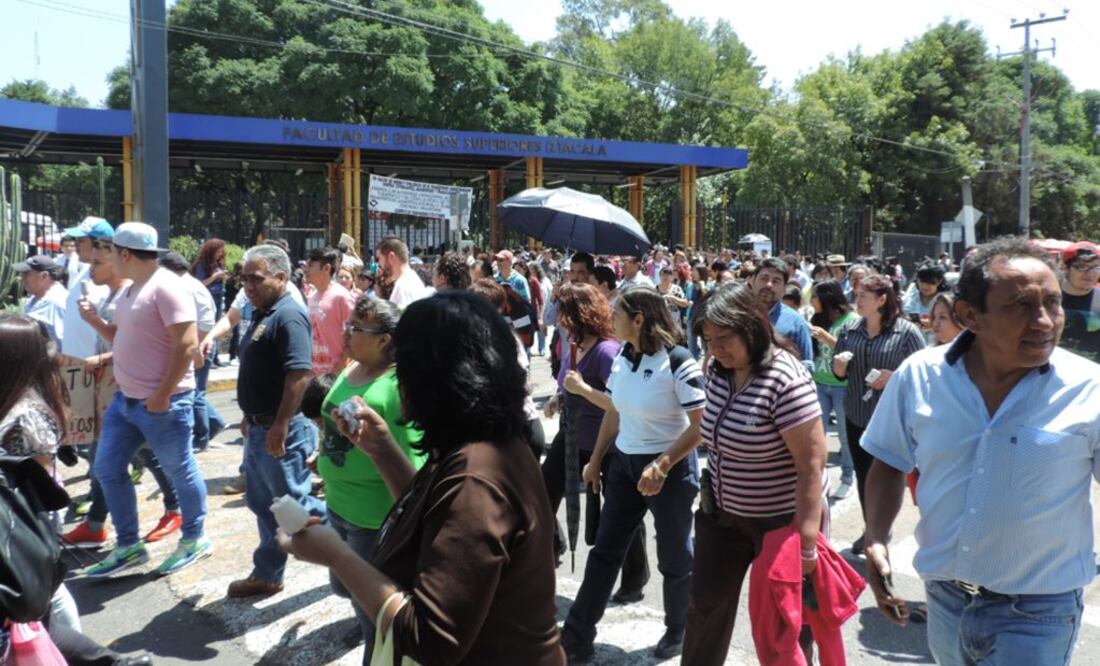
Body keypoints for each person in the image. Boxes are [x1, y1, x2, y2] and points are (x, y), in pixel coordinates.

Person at [279, 291, 565, 664]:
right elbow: (434, 514)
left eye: (403, 366)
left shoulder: (476, 479)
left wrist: (336, 554)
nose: (396, 379)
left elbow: (429, 639)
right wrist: (383, 449)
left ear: (431, 379)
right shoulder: (478, 443)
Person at [861, 238, 1100, 664]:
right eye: (1021, 306)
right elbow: (889, 461)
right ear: (970, 315)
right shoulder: (920, 376)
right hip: (945, 600)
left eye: (1053, 303)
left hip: (1038, 613)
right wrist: (876, 539)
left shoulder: (1089, 389)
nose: (1044, 321)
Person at [682, 282, 827, 665]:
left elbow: (811, 467)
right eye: (708, 340)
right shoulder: (718, 370)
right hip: (721, 516)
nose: (716, 349)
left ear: (751, 327)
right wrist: (665, 461)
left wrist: (807, 545)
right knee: (704, 607)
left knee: (785, 624)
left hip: (779, 525)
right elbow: (707, 429)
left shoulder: (785, 380)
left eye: (724, 338)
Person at [560, 288, 705, 662]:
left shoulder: (678, 361)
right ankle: (575, 637)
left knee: (674, 556)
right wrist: (596, 460)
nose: (611, 319)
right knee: (605, 552)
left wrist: (663, 464)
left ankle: (678, 630)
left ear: (638, 320)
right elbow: (615, 411)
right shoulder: (624, 355)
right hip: (624, 466)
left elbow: (701, 427)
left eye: (617, 313)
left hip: (669, 471)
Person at [84, 222, 212, 577]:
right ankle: (129, 545)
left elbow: (186, 344)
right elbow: (123, 337)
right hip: (127, 401)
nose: (107, 257)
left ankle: (195, 538)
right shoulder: (131, 289)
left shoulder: (166, 287)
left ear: (125, 253)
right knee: (107, 469)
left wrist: (161, 394)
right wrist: (94, 321)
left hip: (162, 404)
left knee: (179, 469)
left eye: (111, 251)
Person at [317, 295, 426, 656]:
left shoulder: (395, 388)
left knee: (374, 621)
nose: (345, 332)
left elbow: (412, 468)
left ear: (384, 339)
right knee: (343, 586)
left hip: (372, 520)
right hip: (338, 506)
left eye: (355, 327)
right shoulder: (352, 366)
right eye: (347, 324)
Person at [64, 239, 183, 548]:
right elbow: (121, 340)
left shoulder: (141, 293)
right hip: (116, 390)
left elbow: (157, 345)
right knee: (108, 459)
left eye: (98, 263)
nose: (90, 269)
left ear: (120, 260)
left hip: (133, 390)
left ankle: (175, 512)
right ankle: (102, 525)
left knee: (144, 455)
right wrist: (94, 322)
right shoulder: (118, 295)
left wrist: (105, 358)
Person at [227, 243, 327, 598]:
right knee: (263, 504)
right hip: (259, 426)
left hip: (279, 429)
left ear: (281, 277)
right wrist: (249, 416)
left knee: (295, 508)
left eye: (256, 279)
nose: (248, 286)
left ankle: (362, 544)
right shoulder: (263, 312)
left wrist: (280, 424)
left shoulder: (288, 315)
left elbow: (298, 374)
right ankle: (268, 573)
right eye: (244, 279)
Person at [543, 283, 650, 601]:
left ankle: (634, 579)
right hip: (572, 437)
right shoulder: (574, 344)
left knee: (622, 511)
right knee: (543, 493)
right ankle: (552, 547)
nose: (558, 318)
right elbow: (568, 383)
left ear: (577, 313)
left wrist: (584, 391)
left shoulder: (606, 351)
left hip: (608, 443)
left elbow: (620, 403)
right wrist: (559, 397)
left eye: (563, 311)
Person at [832, 273, 924, 555]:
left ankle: (881, 530)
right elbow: (839, 374)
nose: (857, 300)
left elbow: (923, 376)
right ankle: (871, 530)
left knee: (887, 477)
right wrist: (839, 367)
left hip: (891, 419)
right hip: (857, 415)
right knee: (864, 476)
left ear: (882, 300)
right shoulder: (850, 330)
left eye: (863, 296)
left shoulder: (906, 333)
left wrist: (893, 378)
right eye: (857, 295)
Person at [161, 252, 225, 453]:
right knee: (195, 392)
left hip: (199, 346)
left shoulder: (188, 287)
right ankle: (215, 422)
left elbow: (206, 322)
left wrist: (196, 349)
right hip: (195, 345)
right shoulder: (187, 285)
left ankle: (201, 438)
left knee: (195, 393)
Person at [809, 280, 859, 500]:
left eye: (815, 296)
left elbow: (852, 351)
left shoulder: (852, 320)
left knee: (844, 435)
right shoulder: (817, 318)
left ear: (827, 298)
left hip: (842, 386)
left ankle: (848, 478)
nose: (811, 300)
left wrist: (827, 338)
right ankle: (816, 478)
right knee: (814, 433)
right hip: (819, 383)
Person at [60, 217, 114, 363]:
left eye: (81, 240)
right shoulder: (83, 271)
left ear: (99, 243)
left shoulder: (110, 280)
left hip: (96, 366)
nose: (76, 244)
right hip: (75, 366)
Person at [752, 258, 814, 372]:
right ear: (752, 281)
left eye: (776, 281)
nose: (769, 284)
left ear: (784, 288)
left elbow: (806, 365)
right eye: (764, 278)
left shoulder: (796, 323)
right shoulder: (738, 314)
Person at [305, 247, 357, 376]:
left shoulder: (341, 297)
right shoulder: (312, 296)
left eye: (311, 266)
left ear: (326, 268)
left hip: (336, 376)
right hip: (315, 375)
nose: (306, 270)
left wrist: (338, 371)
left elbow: (354, 335)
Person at [1058, 241, 1100, 362]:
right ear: (1066, 268)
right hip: (1052, 370)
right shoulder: (1049, 297)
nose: (1090, 273)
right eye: (1082, 267)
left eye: (1096, 267)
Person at [191, 238, 229, 366]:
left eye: (221, 251)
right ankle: (207, 355)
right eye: (218, 251)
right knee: (207, 327)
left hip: (218, 297)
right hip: (206, 298)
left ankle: (214, 356)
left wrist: (223, 277)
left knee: (216, 327)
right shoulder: (202, 264)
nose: (220, 254)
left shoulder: (218, 264)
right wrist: (215, 277)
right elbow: (200, 283)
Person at [15, 255, 67, 346]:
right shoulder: (34, 298)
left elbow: (64, 342)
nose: (22, 278)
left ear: (44, 276)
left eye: (26, 273)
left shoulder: (57, 302)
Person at [376, 236, 430, 309]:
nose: (379, 264)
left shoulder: (403, 289)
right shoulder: (410, 280)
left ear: (391, 257)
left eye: (379, 258)